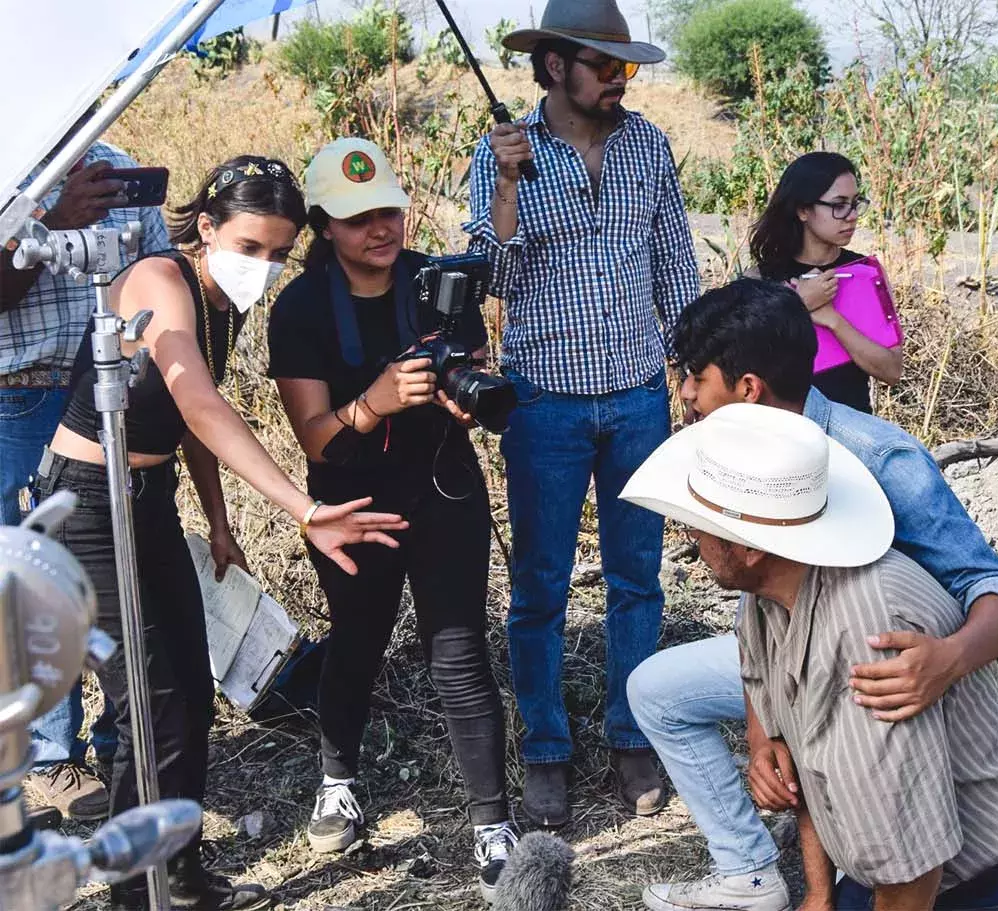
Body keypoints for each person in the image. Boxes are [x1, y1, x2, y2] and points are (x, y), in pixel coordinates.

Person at [628, 280, 998, 911]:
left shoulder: (878, 460)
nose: (685, 392)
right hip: (823, 637)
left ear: (748, 389)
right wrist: (764, 734)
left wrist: (948, 660)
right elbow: (763, 623)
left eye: (696, 376)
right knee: (659, 689)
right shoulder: (755, 497)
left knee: (906, 837)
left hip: (889, 652)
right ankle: (751, 872)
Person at [34, 155, 408, 911]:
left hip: (147, 495)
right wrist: (300, 507)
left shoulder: (218, 300)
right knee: (150, 699)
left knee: (190, 697)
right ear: (206, 227)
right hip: (89, 504)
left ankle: (178, 871)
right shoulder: (159, 281)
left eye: (276, 254)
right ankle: (139, 892)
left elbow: (186, 429)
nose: (263, 269)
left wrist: (218, 517)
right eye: (249, 248)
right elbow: (200, 404)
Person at [464, 0, 699, 827]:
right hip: (544, 403)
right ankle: (546, 748)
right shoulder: (504, 154)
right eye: (608, 67)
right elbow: (487, 276)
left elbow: (675, 259)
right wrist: (502, 185)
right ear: (556, 66)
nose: (622, 81)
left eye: (628, 68)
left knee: (639, 579)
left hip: (638, 394)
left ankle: (634, 733)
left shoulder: (647, 144)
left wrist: (692, 369)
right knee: (539, 587)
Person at [267, 138, 518, 900]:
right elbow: (315, 434)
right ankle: (338, 778)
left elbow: (476, 374)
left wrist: (467, 391)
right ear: (323, 226)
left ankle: (491, 823)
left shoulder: (437, 281)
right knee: (359, 641)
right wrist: (374, 399)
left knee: (459, 651)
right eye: (356, 218)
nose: (381, 229)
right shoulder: (302, 307)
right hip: (351, 500)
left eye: (389, 211)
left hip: (443, 487)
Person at [1, 138, 168, 824]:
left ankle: (113, 736)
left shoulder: (116, 158)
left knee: (106, 567)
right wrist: (55, 221)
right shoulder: (12, 165)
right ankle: (47, 754)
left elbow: (160, 268)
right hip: (17, 395)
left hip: (105, 393)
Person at [748, 152, 902, 414]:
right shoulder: (761, 278)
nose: (851, 215)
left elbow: (892, 370)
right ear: (803, 210)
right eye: (838, 205)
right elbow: (744, 363)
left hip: (852, 429)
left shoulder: (865, 274)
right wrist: (797, 305)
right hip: (782, 430)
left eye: (855, 203)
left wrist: (833, 319)